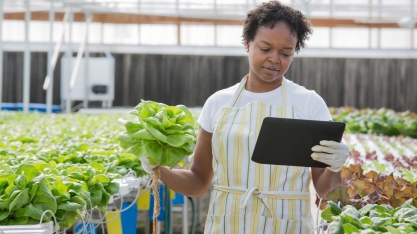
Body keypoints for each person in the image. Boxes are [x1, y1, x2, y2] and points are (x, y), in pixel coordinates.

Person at [140, 1, 349, 233]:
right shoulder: (218, 103)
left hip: (287, 226)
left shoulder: (309, 103)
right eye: (265, 48)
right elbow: (199, 182)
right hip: (227, 225)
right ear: (247, 44)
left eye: (286, 53)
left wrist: (333, 167)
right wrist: (160, 170)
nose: (275, 59)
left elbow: (324, 192)